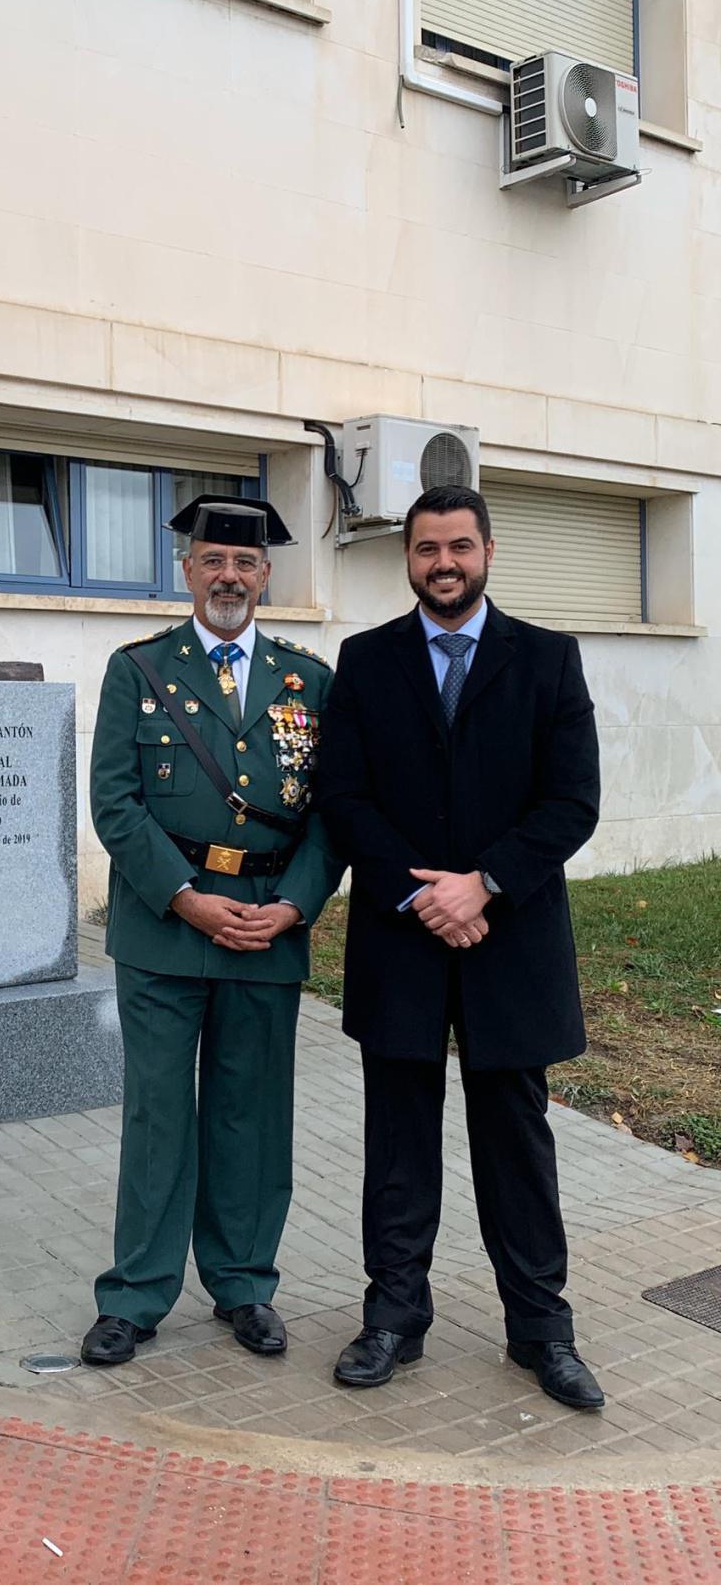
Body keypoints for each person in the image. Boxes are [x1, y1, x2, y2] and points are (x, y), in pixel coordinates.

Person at [315, 484, 605, 1410]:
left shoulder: (550, 660)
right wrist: (421, 891)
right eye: (427, 549)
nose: (444, 563)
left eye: (460, 547)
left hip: (508, 937)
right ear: (407, 558)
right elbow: (344, 798)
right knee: (397, 1139)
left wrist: (479, 884)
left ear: (489, 550)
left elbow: (572, 802)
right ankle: (394, 1318)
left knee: (516, 1142)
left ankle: (541, 1331)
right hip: (402, 939)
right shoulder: (364, 662)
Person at [81, 497, 344, 1367]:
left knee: (251, 1115)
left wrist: (296, 906)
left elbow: (334, 817)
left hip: (268, 926)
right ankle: (137, 1294)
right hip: (165, 930)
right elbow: (114, 805)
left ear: (267, 575)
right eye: (213, 561)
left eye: (246, 562)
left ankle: (244, 1285)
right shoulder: (140, 669)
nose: (229, 576)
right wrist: (186, 897)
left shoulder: (310, 679)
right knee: (161, 1114)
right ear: (187, 571)